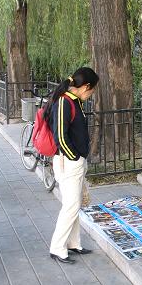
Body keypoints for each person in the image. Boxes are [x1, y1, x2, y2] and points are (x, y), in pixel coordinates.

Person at [45, 67, 99, 264]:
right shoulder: (64, 102)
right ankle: (57, 247)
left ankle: (73, 243)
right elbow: (60, 136)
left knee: (74, 204)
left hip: (74, 161)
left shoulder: (73, 101)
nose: (92, 94)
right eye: (92, 90)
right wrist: (74, 158)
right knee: (71, 205)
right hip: (68, 162)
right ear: (85, 86)